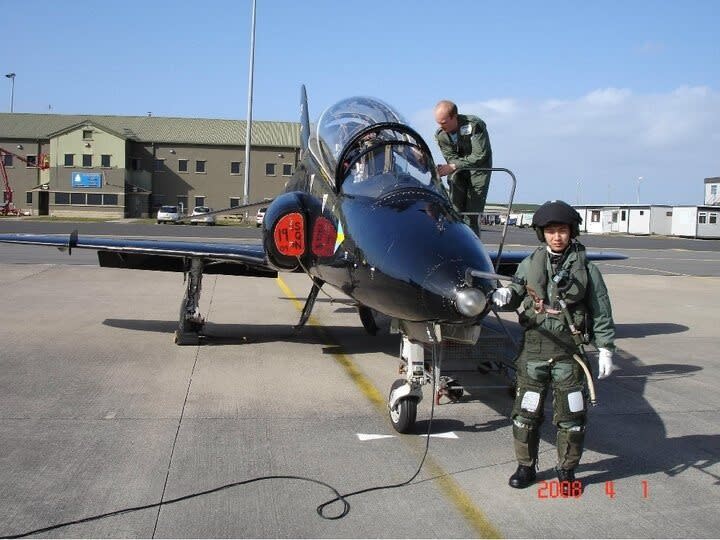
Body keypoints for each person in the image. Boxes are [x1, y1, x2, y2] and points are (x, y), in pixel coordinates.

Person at [491, 200, 617, 494]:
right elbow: (516, 292)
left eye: (562, 230)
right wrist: (504, 295)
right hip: (534, 350)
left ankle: (567, 470)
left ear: (572, 232)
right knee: (526, 413)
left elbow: (601, 311)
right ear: (542, 233)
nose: (556, 236)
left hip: (568, 354)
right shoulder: (529, 263)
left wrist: (606, 349)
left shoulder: (587, 270)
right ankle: (526, 466)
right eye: (550, 231)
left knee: (572, 417)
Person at [433, 100, 492, 235]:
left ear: (454, 117)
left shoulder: (474, 125)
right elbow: (450, 157)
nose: (441, 126)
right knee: (454, 212)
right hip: (458, 173)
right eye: (438, 123)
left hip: (478, 172)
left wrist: (453, 166)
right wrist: (450, 167)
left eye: (444, 122)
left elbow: (480, 155)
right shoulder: (441, 135)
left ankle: (472, 246)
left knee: (472, 215)